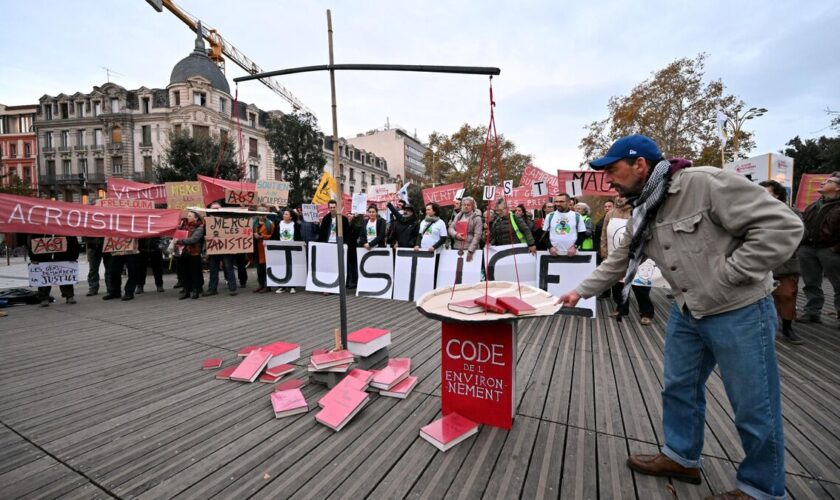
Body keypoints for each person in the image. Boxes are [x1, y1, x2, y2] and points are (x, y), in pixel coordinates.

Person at [557, 134, 803, 500]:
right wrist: (579, 292)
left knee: (754, 405)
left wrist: (732, 274)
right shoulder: (644, 206)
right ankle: (681, 457)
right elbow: (619, 260)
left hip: (740, 311)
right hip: (688, 311)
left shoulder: (704, 183)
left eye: (613, 169)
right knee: (679, 388)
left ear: (640, 165)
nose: (608, 179)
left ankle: (762, 489)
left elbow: (783, 227)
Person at [757, 180, 804, 344]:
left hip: (784, 263)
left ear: (777, 195)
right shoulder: (752, 212)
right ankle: (762, 328)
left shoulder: (791, 213)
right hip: (758, 262)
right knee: (757, 297)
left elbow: (797, 235)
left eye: (766, 192)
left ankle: (787, 328)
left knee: (786, 295)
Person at [600, 196, 654, 325]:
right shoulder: (611, 213)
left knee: (640, 286)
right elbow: (604, 234)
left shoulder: (640, 210)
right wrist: (604, 252)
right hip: (617, 255)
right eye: (618, 196)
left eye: (623, 196)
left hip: (639, 256)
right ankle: (621, 309)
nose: (620, 198)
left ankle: (646, 313)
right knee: (618, 285)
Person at [796, 171, 840, 327]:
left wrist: (835, 249)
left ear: (837, 188)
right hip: (808, 248)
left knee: (838, 285)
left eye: (829, 181)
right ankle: (812, 313)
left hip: (830, 250)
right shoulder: (814, 204)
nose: (823, 183)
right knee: (810, 283)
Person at [28, 234, 80, 306]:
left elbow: (72, 239)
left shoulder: (63, 225)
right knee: (44, 275)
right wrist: (33, 257)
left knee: (65, 274)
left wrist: (73, 255)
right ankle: (44, 298)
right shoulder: (40, 225)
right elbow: (34, 240)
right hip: (42, 253)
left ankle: (69, 295)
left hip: (64, 253)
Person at [204, 202, 239, 297]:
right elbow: (203, 233)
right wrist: (205, 237)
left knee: (229, 267)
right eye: (213, 208)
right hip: (213, 248)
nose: (215, 210)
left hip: (226, 248)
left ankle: (232, 288)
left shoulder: (228, 219)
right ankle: (212, 289)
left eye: (217, 208)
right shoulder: (206, 221)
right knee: (213, 268)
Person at [174, 210, 205, 299]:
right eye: (188, 215)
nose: (188, 217)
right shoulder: (184, 226)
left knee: (195, 272)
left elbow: (193, 239)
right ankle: (187, 290)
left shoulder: (200, 228)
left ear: (196, 218)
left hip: (194, 253)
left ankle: (196, 290)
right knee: (185, 272)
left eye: (190, 216)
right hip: (184, 253)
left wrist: (180, 241)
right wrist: (178, 230)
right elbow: (179, 234)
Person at [275, 208, 302, 294]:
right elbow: (275, 236)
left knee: (291, 266)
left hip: (292, 249)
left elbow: (298, 237)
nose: (284, 215)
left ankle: (292, 286)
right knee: (282, 267)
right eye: (284, 214)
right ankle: (282, 286)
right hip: (281, 249)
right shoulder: (279, 224)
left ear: (290, 217)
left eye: (286, 214)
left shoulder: (295, 225)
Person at [447, 196, 483, 262]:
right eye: (464, 205)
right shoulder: (458, 216)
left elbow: (477, 236)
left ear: (472, 206)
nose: (466, 206)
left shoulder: (477, 218)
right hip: (457, 247)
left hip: (470, 249)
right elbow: (450, 229)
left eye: (468, 205)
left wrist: (471, 250)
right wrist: (456, 234)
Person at [252, 205, 275, 294]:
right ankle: (261, 284)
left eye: (263, 214)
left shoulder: (270, 224)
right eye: (260, 214)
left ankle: (267, 286)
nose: (262, 216)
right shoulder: (254, 223)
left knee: (265, 268)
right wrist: (254, 236)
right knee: (258, 268)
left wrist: (262, 236)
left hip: (265, 249)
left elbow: (272, 236)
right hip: (256, 248)